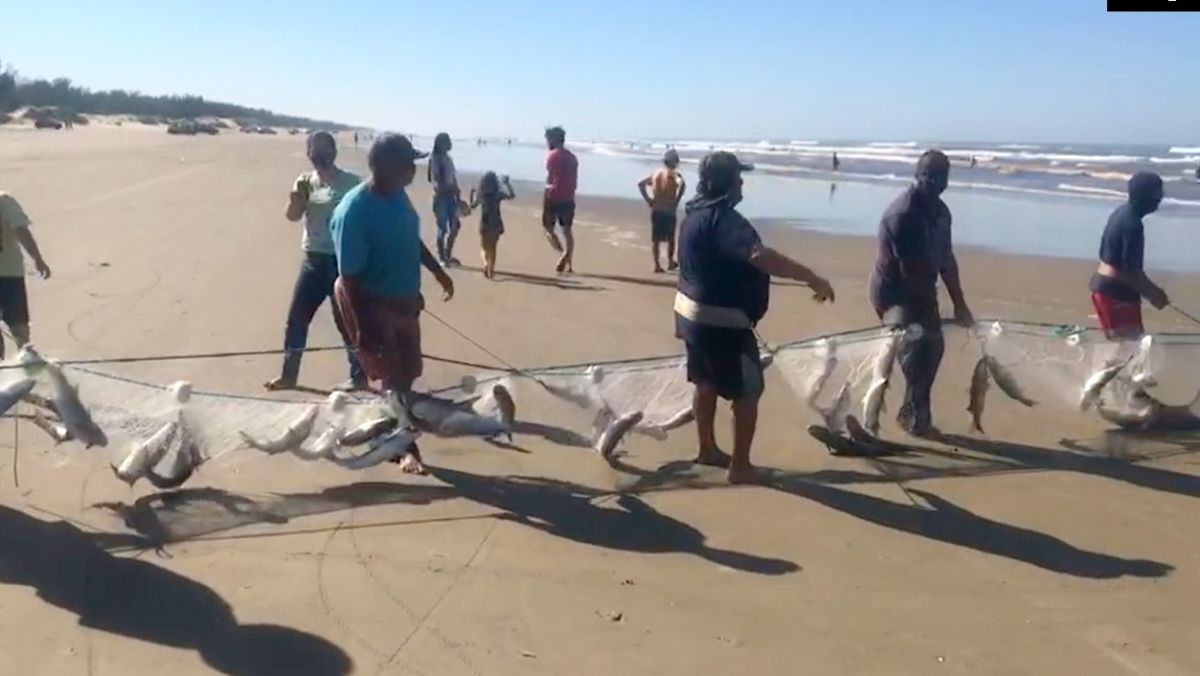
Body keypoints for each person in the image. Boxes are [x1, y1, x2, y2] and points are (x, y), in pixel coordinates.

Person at [675, 152, 836, 484]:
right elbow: (760, 256)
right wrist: (811, 277)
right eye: (737, 177)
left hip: (689, 314)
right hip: (722, 321)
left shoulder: (692, 215)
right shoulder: (726, 220)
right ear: (726, 183)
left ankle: (707, 448)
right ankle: (741, 466)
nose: (742, 183)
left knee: (705, 382)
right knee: (748, 391)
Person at [330, 134, 455, 475]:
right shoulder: (355, 211)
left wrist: (437, 272)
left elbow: (408, 237)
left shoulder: (398, 195)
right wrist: (364, 329)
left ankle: (386, 429)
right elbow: (350, 278)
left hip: (406, 303)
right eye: (407, 163)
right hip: (372, 305)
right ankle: (403, 448)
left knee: (410, 371)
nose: (413, 169)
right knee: (393, 378)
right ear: (384, 166)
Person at [868, 150, 974, 438]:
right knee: (911, 351)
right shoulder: (904, 215)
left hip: (923, 287)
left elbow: (946, 261)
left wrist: (960, 304)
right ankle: (876, 421)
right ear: (916, 176)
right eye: (927, 175)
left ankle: (913, 413)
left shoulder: (942, 212)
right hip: (893, 292)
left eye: (940, 176)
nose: (933, 181)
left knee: (933, 349)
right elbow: (911, 272)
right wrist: (928, 318)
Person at [266, 131, 366, 392]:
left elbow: (364, 221)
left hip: (340, 263)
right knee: (297, 319)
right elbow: (292, 216)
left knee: (345, 321)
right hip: (312, 260)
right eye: (314, 149)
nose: (318, 155)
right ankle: (289, 375)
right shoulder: (305, 181)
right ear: (309, 153)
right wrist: (295, 201)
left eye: (323, 149)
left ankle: (359, 377)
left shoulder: (352, 183)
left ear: (333, 152)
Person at [1089, 171, 1169, 340]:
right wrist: (1155, 295)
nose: (1160, 198)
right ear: (1146, 195)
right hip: (1116, 292)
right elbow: (1130, 273)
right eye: (1158, 193)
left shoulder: (1121, 213)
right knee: (1126, 348)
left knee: (1121, 347)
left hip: (1103, 286)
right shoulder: (1133, 225)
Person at [0, 191, 51, 360]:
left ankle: (25, 364)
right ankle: (28, 365)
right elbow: (21, 231)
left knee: (19, 326)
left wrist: (37, 258)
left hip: (9, 273)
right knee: (19, 327)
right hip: (10, 273)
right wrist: (38, 259)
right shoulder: (4, 200)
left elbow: (22, 231)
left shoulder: (4, 200)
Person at [637, 149, 686, 272]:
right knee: (670, 238)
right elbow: (682, 183)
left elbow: (641, 184)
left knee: (656, 239)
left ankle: (657, 265)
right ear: (674, 162)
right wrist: (676, 200)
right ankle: (670, 261)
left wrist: (648, 199)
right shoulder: (674, 174)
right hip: (668, 210)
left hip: (656, 209)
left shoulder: (656, 173)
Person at [542, 126, 579, 274]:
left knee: (547, 228)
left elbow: (550, 178)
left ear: (553, 139)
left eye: (548, 139)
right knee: (567, 231)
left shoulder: (552, 156)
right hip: (568, 197)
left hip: (553, 195)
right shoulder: (572, 157)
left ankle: (562, 252)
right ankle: (567, 258)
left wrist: (545, 193)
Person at [469, 172, 515, 279]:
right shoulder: (497, 194)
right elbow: (512, 196)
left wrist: (471, 193)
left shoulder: (481, 195)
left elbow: (472, 206)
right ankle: (491, 269)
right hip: (496, 222)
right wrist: (507, 184)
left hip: (485, 222)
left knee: (484, 247)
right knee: (493, 248)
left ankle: (486, 264)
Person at [428, 132, 462, 266]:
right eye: (447, 141)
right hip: (440, 196)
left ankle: (448, 254)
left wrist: (457, 192)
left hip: (450, 196)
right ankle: (442, 257)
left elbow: (452, 177)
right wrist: (449, 188)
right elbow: (436, 178)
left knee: (455, 226)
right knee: (442, 228)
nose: (450, 143)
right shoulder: (435, 158)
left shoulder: (448, 158)